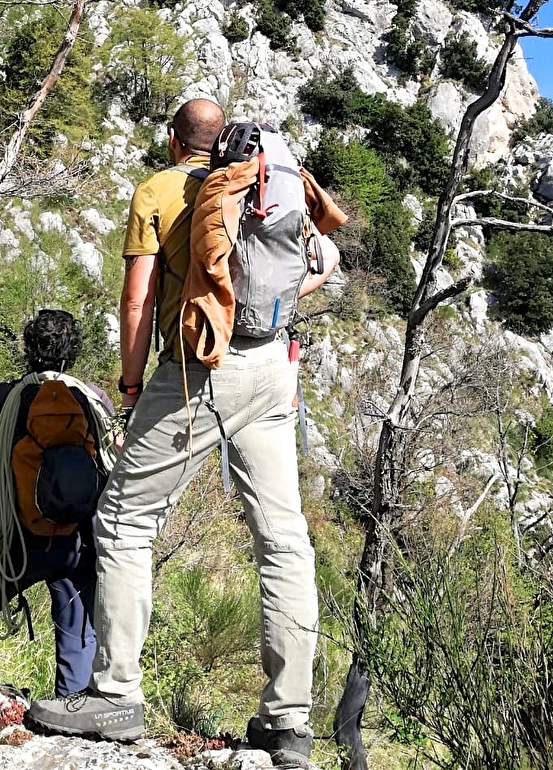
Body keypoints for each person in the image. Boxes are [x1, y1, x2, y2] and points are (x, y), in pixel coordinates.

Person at [29, 99, 341, 768]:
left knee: (123, 520)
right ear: (221, 140)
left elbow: (137, 300)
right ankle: (289, 722)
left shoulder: (160, 189)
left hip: (200, 369)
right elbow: (321, 263)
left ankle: (115, 694)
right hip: (273, 368)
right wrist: (262, 307)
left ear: (175, 139)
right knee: (283, 541)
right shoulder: (264, 181)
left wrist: (132, 386)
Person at [0, 308, 112, 697]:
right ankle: (72, 705)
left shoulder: (1, 399)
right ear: (73, 351)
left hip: (18, 540)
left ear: (28, 347)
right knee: (76, 621)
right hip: (77, 543)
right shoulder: (95, 401)